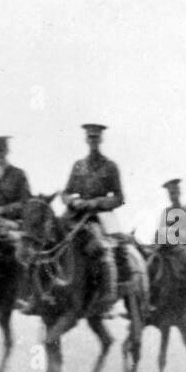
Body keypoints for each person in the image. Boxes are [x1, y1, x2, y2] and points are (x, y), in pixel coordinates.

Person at [61, 123, 124, 315]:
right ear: (86, 140)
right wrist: (73, 202)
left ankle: (107, 298)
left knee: (101, 248)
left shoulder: (110, 166)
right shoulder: (78, 166)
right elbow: (66, 193)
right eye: (90, 138)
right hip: (76, 215)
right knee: (51, 239)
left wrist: (97, 202)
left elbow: (119, 197)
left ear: (101, 140)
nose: (93, 141)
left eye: (96, 138)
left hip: (100, 218)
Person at [151, 177, 186, 313]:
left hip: (181, 249)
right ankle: (151, 301)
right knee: (150, 265)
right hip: (164, 249)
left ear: (179, 193)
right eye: (170, 194)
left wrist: (176, 234)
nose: (172, 196)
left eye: (174, 193)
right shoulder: (166, 212)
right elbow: (160, 232)